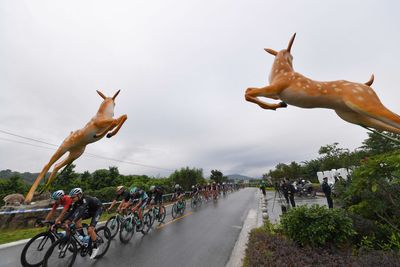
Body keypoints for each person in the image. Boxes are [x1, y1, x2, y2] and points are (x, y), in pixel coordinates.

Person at [64, 188, 103, 259]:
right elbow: (72, 212)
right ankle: (84, 239)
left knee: (90, 229)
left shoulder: (86, 199)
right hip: (89, 211)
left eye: (73, 197)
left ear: (79, 195)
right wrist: (65, 220)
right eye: (71, 197)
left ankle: (95, 246)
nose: (72, 199)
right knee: (77, 221)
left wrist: (73, 221)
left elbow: (81, 211)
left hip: (97, 210)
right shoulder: (77, 202)